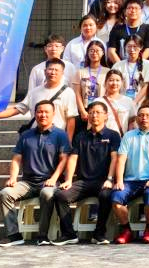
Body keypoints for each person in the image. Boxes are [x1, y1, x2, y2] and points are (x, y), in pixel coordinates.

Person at [0, 101, 70, 247]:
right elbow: (16, 159)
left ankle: (43, 235)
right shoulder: (26, 135)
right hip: (28, 182)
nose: (43, 115)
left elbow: (64, 160)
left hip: (49, 181)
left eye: (46, 112)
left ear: (53, 114)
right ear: (35, 114)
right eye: (39, 112)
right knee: (5, 193)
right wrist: (13, 178)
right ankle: (14, 235)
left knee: (47, 194)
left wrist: (53, 178)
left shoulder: (60, 135)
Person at [50, 101, 118, 245]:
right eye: (91, 112)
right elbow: (73, 159)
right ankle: (69, 233)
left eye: (98, 112)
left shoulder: (113, 135)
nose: (94, 115)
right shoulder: (81, 136)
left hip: (103, 181)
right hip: (84, 182)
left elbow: (114, 158)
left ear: (106, 116)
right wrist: (69, 180)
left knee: (106, 195)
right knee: (60, 195)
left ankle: (99, 233)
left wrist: (110, 179)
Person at [108, 104, 149, 244]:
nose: (144, 118)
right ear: (136, 119)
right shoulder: (128, 136)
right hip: (130, 180)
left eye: (147, 115)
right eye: (140, 115)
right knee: (116, 197)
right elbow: (121, 160)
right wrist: (119, 180)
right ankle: (126, 230)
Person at [0, 58, 78, 139]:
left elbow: (71, 119)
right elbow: (18, 109)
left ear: (62, 73)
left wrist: (68, 141)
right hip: (35, 136)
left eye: (56, 70)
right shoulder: (34, 92)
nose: (53, 72)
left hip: (57, 138)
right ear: (45, 71)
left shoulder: (68, 93)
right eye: (50, 69)